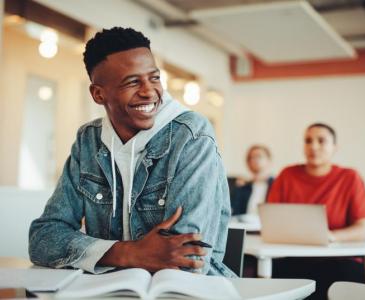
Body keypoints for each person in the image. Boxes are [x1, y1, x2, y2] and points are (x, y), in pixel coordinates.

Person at [29, 27, 234, 277]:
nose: (149, 91)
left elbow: (188, 260)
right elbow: (43, 238)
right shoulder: (89, 140)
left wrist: (102, 253)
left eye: (154, 78)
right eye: (132, 82)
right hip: (106, 288)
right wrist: (130, 253)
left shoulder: (191, 135)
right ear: (98, 94)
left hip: (183, 292)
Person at [268, 123, 365, 300]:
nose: (314, 146)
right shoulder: (287, 174)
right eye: (308, 141)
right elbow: (271, 219)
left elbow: (362, 229)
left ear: (335, 147)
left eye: (321, 141)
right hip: (294, 257)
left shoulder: (350, 177)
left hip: (339, 259)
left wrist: (332, 236)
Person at [231, 145, 273, 216]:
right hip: (245, 225)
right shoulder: (242, 188)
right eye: (250, 158)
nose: (254, 160)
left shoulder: (276, 185)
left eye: (259, 156)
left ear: (268, 160)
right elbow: (235, 213)